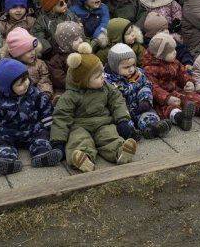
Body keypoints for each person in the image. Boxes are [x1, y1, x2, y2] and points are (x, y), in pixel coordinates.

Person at [50, 43, 138, 173]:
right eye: (97, 76)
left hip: (103, 122)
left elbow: (117, 102)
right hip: (79, 126)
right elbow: (61, 117)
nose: (103, 76)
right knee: (78, 140)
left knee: (109, 136)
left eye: (102, 72)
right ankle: (83, 158)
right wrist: (58, 141)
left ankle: (120, 151)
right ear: (83, 81)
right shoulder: (70, 96)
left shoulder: (106, 87)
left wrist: (122, 120)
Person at [0, 58, 63, 174]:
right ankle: (7, 160)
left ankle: (42, 154)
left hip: (32, 129)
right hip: (7, 133)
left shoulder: (33, 92)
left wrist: (50, 127)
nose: (26, 84)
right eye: (20, 83)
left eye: (26, 78)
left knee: (42, 135)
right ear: (6, 87)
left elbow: (45, 108)